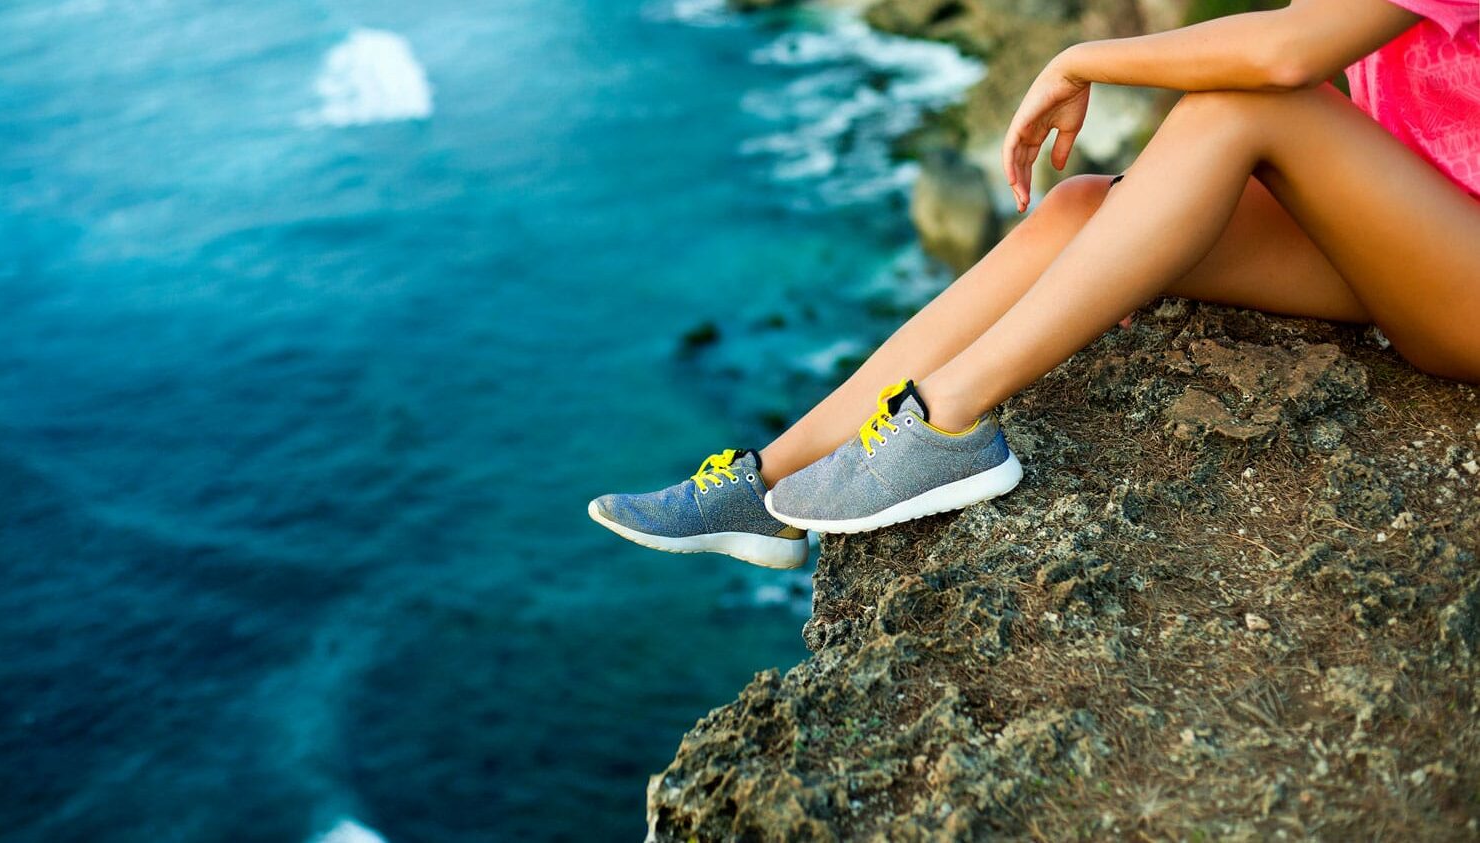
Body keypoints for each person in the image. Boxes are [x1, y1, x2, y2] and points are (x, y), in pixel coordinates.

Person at [588, 0, 1480, 570]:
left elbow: (1284, 56)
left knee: (1251, 105)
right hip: (1420, 233)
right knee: (1081, 208)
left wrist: (1083, 59)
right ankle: (766, 485)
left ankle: (947, 420)